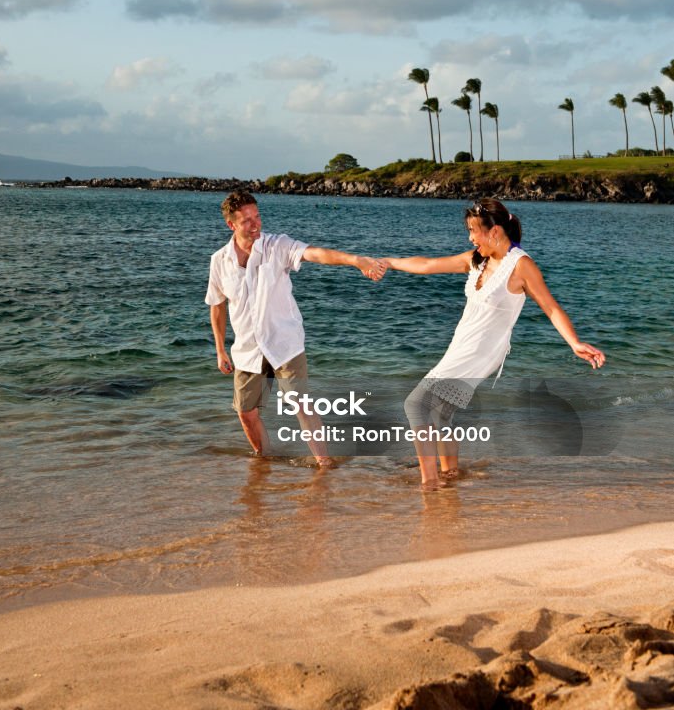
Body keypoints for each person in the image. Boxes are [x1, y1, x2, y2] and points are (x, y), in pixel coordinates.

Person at [379, 199, 606, 490]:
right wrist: (387, 262)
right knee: (439, 412)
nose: (470, 237)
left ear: (495, 231)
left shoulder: (521, 265)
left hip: (481, 350)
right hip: (463, 343)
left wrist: (574, 342)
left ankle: (430, 483)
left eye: (474, 231)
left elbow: (550, 307)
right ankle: (450, 476)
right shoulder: (478, 259)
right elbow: (427, 265)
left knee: (416, 404)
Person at [206, 190, 382, 467]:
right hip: (247, 350)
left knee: (302, 405)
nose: (256, 224)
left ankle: (324, 463)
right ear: (231, 225)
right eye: (247, 221)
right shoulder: (220, 260)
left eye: (257, 216)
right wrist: (219, 350)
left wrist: (355, 260)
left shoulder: (278, 246)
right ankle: (264, 460)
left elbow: (316, 254)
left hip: (284, 343)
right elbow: (217, 305)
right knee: (246, 412)